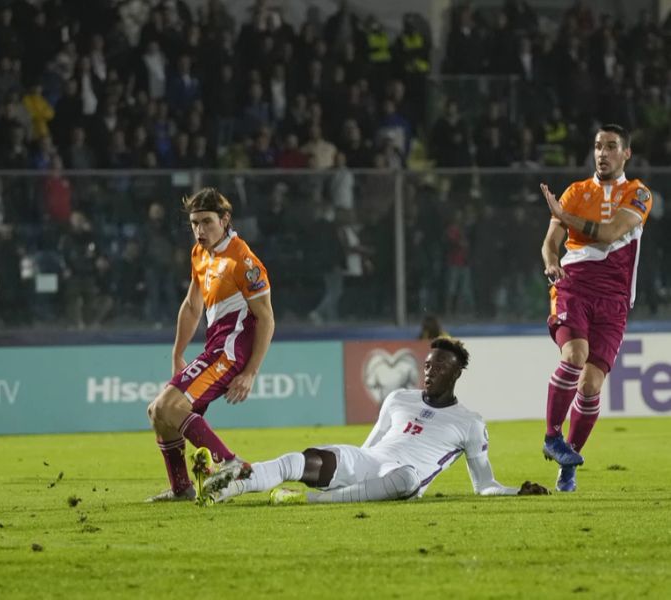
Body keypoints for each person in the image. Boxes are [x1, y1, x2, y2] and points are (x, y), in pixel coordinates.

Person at [199, 337, 549, 505]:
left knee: (407, 477)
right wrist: (345, 465)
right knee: (300, 459)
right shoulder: (399, 398)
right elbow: (369, 445)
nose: (430, 372)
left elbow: (483, 485)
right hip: (369, 463)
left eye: (440, 367)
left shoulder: (469, 422)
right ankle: (228, 487)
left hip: (401, 478)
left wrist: (516, 491)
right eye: (427, 365)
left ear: (457, 374)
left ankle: (314, 501)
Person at [539, 124, 652, 493]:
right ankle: (552, 436)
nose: (602, 153)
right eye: (597, 146)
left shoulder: (638, 194)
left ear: (626, 153)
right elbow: (550, 243)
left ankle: (569, 458)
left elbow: (608, 233)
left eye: (610, 147)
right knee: (575, 355)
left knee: (591, 385)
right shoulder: (575, 192)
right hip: (574, 287)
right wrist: (551, 261)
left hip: (615, 300)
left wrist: (563, 215)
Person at [146, 188, 275, 502]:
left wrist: (250, 373)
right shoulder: (199, 254)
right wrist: (178, 353)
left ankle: (232, 464)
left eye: (207, 222)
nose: (200, 231)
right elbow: (192, 306)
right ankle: (181, 489)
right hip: (214, 347)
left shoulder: (243, 260)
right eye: (194, 224)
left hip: (230, 352)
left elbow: (267, 319)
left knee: (169, 406)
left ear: (225, 219)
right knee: (158, 412)